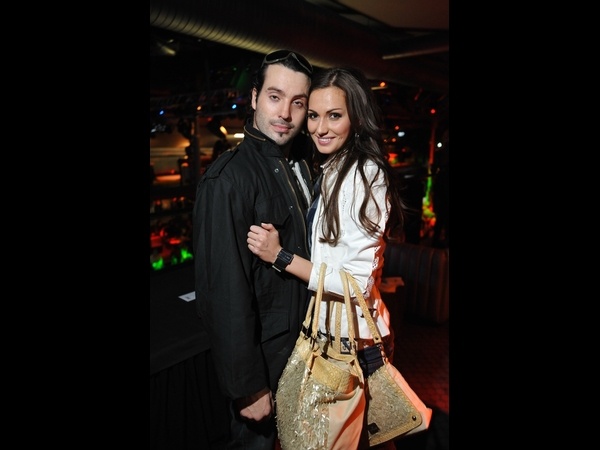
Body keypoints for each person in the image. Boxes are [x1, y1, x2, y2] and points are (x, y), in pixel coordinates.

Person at [247, 66, 407, 449]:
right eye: (314, 115)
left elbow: (355, 285)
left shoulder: (364, 175)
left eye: (334, 116)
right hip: (335, 338)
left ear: (356, 117)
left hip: (354, 345)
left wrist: (280, 256)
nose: (320, 128)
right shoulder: (334, 167)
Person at [193, 50, 316, 450]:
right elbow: (222, 292)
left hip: (305, 349)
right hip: (266, 359)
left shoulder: (303, 163)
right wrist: (247, 386)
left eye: (298, 103)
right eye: (275, 97)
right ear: (254, 97)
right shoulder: (228, 179)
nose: (285, 113)